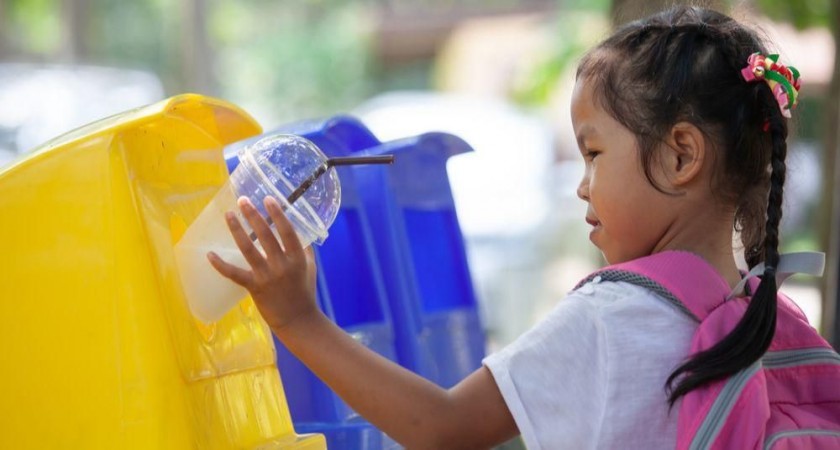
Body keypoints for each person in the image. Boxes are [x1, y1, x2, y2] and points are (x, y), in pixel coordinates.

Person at [208, 5, 813, 449]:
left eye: (594, 154)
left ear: (681, 155)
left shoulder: (613, 314)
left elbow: (442, 428)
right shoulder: (768, 321)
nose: (581, 185)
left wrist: (297, 318)